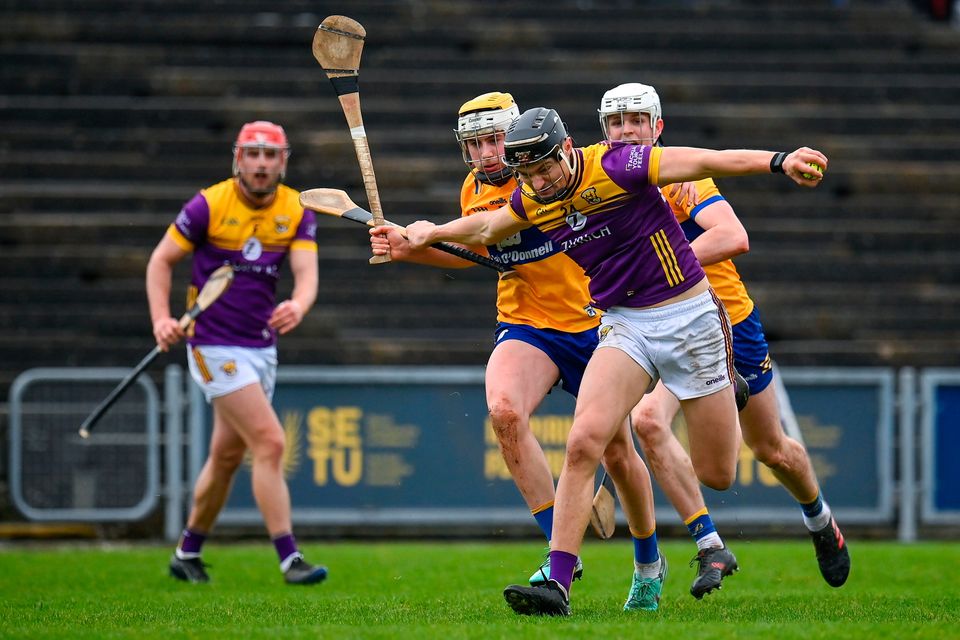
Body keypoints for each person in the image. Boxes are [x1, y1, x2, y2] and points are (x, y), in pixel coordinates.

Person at [392, 106, 827, 616]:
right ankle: (557, 581)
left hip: (689, 316)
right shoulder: (532, 196)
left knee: (718, 474)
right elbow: (490, 227)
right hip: (626, 323)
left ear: (568, 149)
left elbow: (708, 159)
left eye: (545, 168)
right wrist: (428, 233)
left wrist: (780, 161)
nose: (538, 182)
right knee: (583, 441)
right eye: (527, 174)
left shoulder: (618, 164)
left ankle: (725, 387)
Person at [370, 92, 667, 612]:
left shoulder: (549, 173)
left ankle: (648, 564)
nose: (485, 153)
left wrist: (424, 236)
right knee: (504, 411)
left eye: (493, 140)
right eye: (474, 144)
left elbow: (486, 230)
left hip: (595, 321)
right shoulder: (473, 188)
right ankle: (561, 554)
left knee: (617, 453)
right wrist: (407, 250)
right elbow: (481, 249)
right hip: (528, 322)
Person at [598, 82, 850, 593]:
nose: (626, 131)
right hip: (660, 324)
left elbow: (733, 236)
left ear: (657, 129)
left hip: (728, 321)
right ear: (604, 132)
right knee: (647, 420)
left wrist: (655, 267)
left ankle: (820, 520)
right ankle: (710, 545)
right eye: (616, 122)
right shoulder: (600, 184)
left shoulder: (680, 178)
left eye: (637, 120)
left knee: (771, 449)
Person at [147, 120, 326, 585]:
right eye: (253, 154)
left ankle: (187, 553)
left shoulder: (296, 208)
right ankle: (290, 558)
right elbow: (160, 261)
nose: (262, 164)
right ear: (238, 158)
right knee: (270, 442)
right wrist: (161, 320)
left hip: (260, 348)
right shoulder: (208, 204)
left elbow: (306, 275)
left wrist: (298, 305)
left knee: (226, 457)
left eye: (271, 156)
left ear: (283, 161)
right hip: (211, 342)